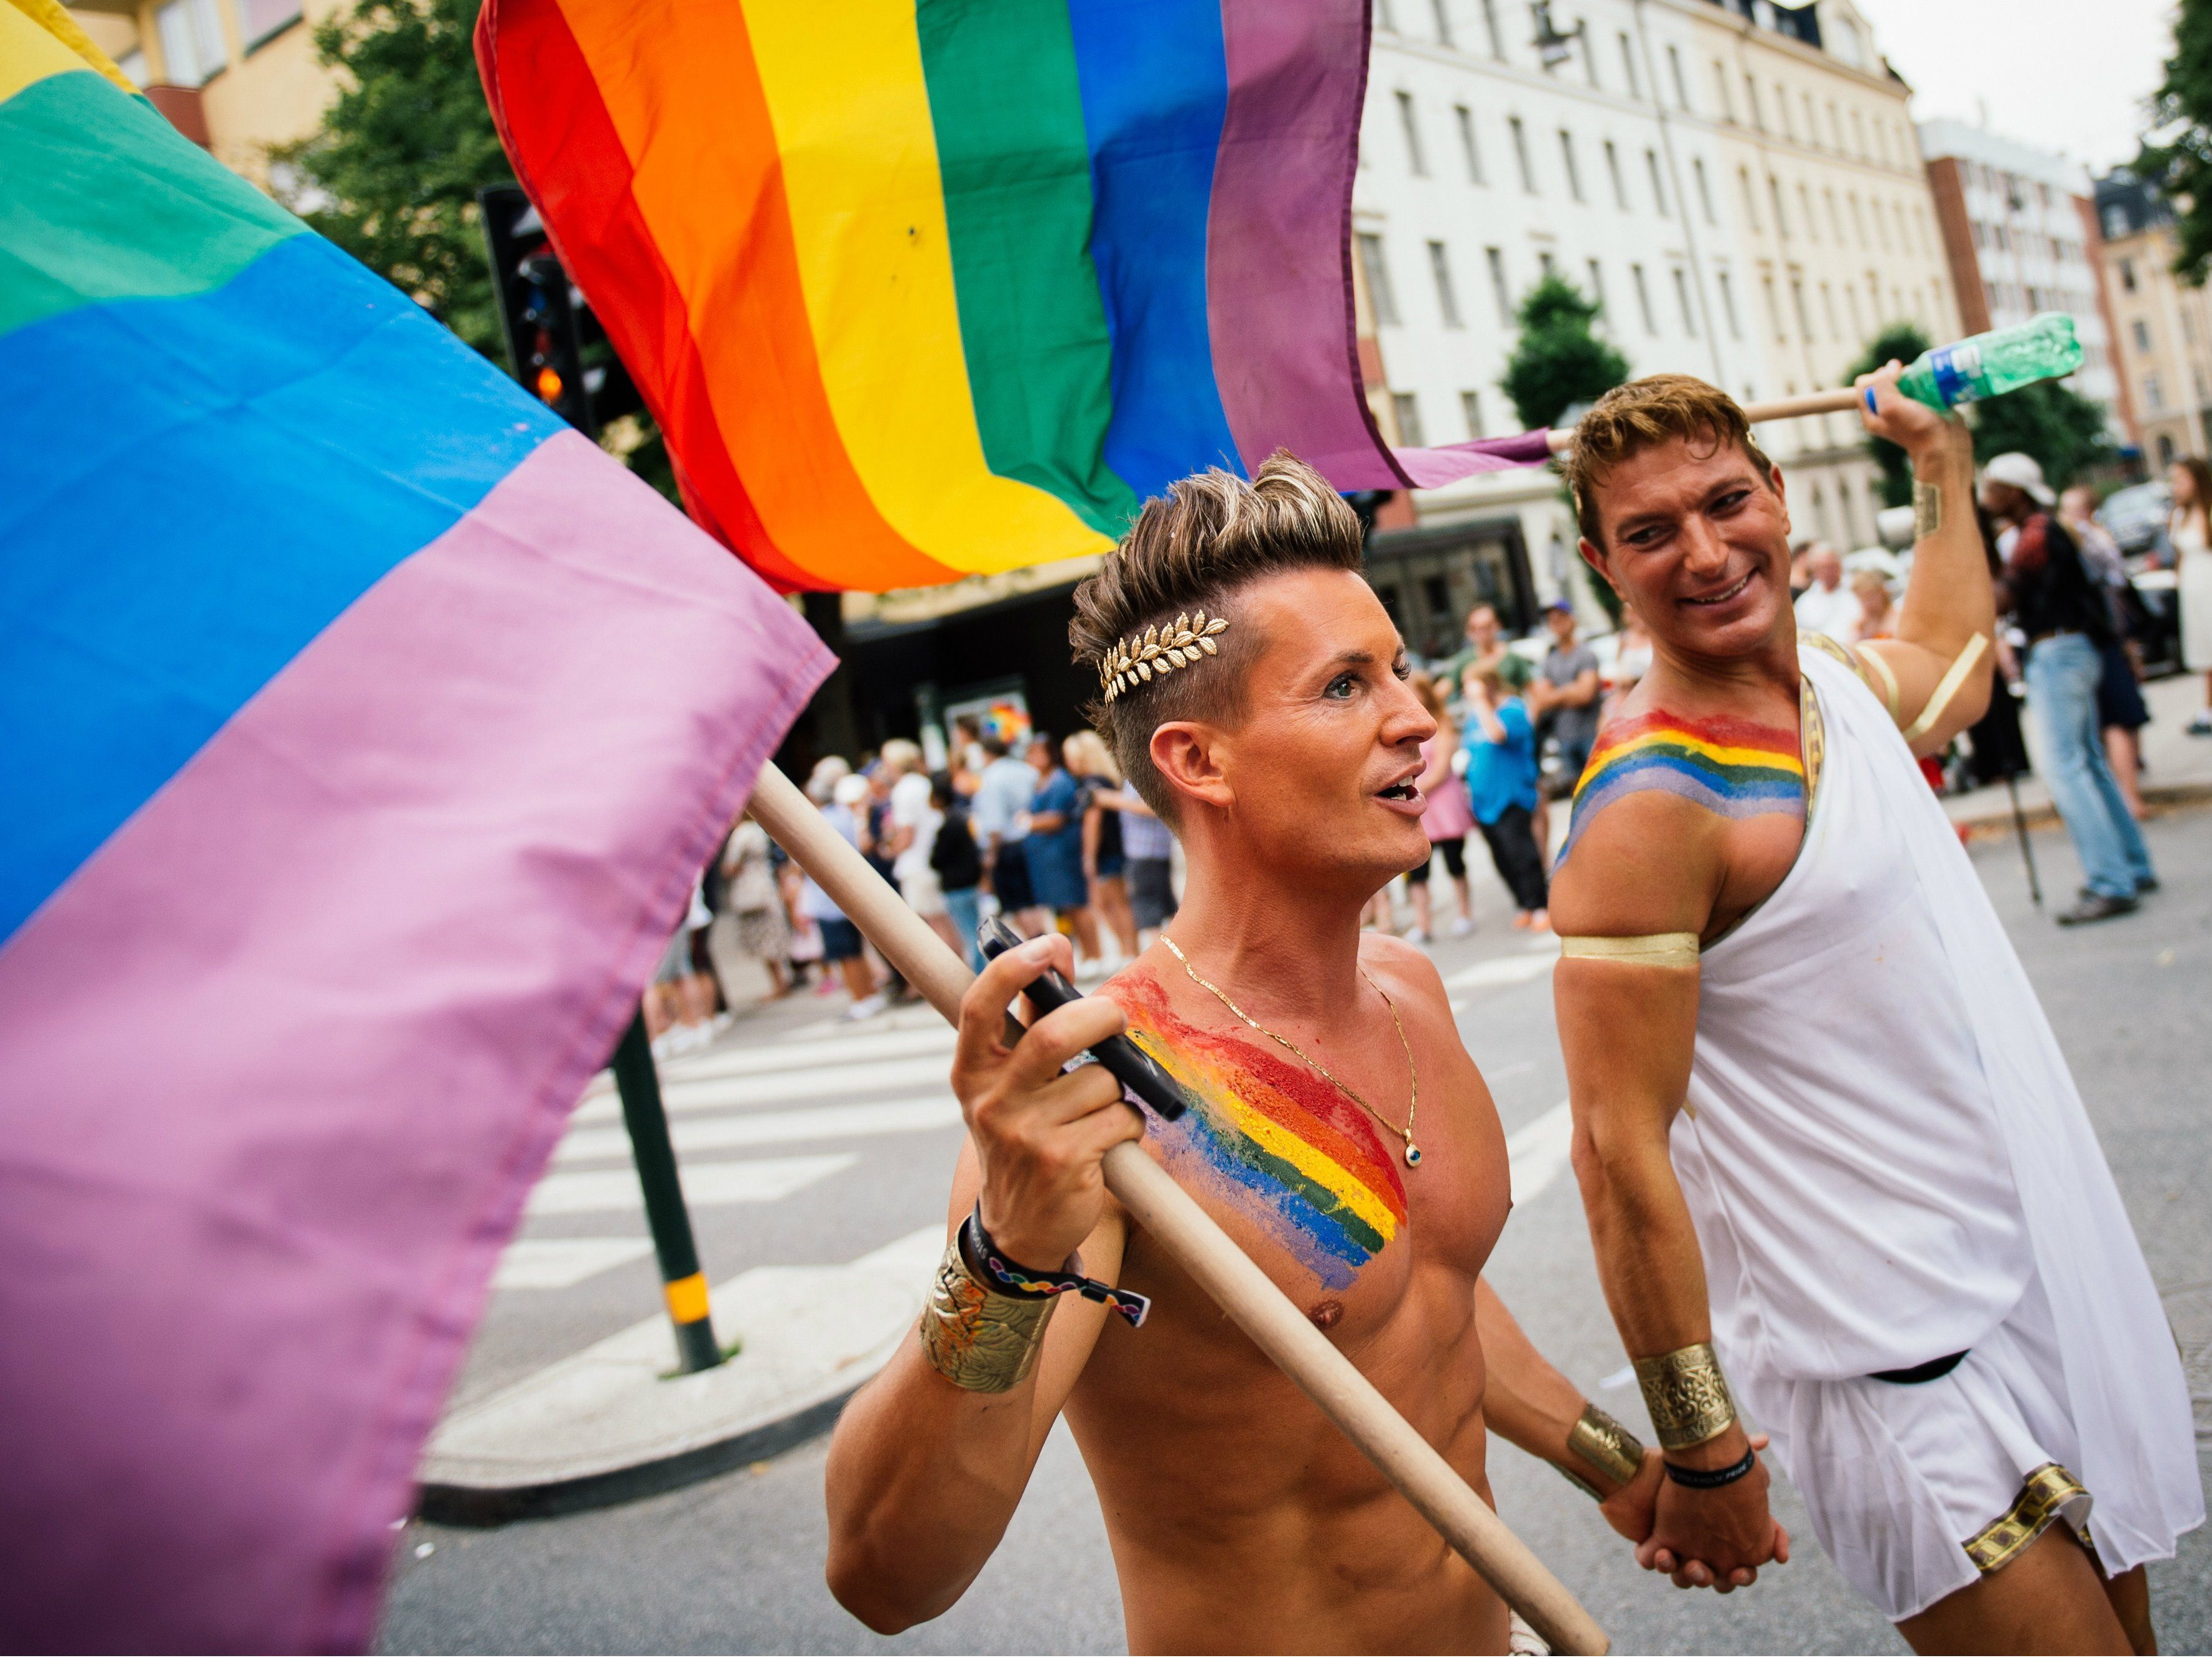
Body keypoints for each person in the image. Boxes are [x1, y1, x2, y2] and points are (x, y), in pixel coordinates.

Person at [825, 453, 1696, 1655]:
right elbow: (885, 1574)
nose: (1416, 717)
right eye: (1345, 686)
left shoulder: (1410, 986)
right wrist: (1004, 1255)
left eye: (1398, 669)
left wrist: (1616, 1465)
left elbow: (1420, 1299)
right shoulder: (1107, 1098)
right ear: (1199, 761)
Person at [1551, 371, 2198, 1653]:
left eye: (1726, 501)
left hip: (2022, 1288)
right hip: (1887, 1372)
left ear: (1778, 495)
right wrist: (1704, 1449)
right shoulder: (1649, 805)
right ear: (1598, 563)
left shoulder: (1825, 683)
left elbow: (1955, 669)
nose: (1704, 550)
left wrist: (1938, 459)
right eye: (1648, 532)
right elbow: (1616, 1152)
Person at [1981, 452, 2159, 924]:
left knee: (2065, 769)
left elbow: (2002, 598)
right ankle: (2132, 864)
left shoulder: (2035, 534)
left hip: (2058, 650)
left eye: (1993, 488)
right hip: (2076, 648)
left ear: (2014, 491)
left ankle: (2108, 879)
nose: (1986, 497)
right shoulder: (2046, 528)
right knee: (2089, 763)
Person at [2060, 486, 2152, 819]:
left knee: (2110, 721)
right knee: (2116, 719)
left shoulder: (2083, 540)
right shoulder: (2092, 540)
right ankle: (2128, 795)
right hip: (2102, 636)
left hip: (2101, 635)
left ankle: (2126, 796)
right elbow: (2117, 581)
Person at [1462, 663, 1549, 931]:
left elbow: (1498, 735)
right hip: (1484, 800)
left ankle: (1540, 906)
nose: (1468, 693)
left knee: (1521, 852)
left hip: (1511, 795)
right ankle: (1523, 903)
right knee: (1501, 857)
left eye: (1472, 687)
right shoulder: (1475, 717)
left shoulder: (1512, 710)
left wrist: (1480, 702)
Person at [803, 769, 887, 1020]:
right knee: (856, 950)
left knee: (846, 955)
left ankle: (861, 999)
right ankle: (869, 994)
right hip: (850, 893)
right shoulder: (844, 816)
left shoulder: (819, 820)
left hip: (829, 899)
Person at [1406, 669, 1477, 941]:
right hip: (1418, 807)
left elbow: (1442, 769)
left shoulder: (1442, 724)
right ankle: (1423, 924)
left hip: (1443, 803)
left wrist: (1411, 790)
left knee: (1454, 861)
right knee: (1417, 870)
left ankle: (1465, 913)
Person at [881, 738, 964, 961]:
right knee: (944, 922)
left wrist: (890, 849)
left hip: (917, 864)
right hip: (931, 860)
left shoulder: (903, 790)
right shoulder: (922, 783)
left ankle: (955, 973)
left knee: (936, 926)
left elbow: (907, 834)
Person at [1020, 733, 1099, 966]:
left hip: (1062, 854)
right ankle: (1085, 954)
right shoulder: (1039, 782)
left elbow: (1057, 818)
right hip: (1045, 859)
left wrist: (1030, 822)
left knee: (1077, 904)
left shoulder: (1060, 781)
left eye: (1038, 753)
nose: (1033, 758)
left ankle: (1095, 953)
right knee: (1065, 909)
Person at [1065, 730, 1141, 967]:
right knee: (1118, 903)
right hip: (1114, 850)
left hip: (1104, 854)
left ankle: (1129, 951)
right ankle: (1129, 949)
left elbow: (1092, 824)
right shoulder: (1106, 780)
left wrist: (1088, 858)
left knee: (1112, 904)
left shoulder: (1091, 786)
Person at [970, 732, 1043, 936]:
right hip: (1033, 839)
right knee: (1034, 899)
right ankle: (1045, 937)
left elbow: (995, 825)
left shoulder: (990, 779)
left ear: (987, 754)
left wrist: (991, 855)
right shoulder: (1026, 770)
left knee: (1019, 903)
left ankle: (1038, 941)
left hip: (1008, 847)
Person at [711, 814, 790, 1004]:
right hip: (765, 886)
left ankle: (778, 983)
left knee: (764, 939)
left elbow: (731, 866)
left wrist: (728, 870)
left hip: (750, 891)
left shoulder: (741, 834)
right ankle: (782, 981)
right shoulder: (759, 830)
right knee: (772, 935)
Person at [2163, 457, 2212, 736]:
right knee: (2204, 651)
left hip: (2208, 585)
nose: (2176, 486)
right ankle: (2207, 707)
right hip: (2192, 590)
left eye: (2181, 479)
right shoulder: (2179, 516)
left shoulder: (2208, 511)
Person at [928, 771, 986, 970]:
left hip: (957, 886)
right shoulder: (960, 819)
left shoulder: (948, 825)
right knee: (975, 930)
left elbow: (936, 859)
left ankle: (983, 974)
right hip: (968, 882)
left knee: (971, 936)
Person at [1440, 600, 1535, 699]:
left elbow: (1534, 692)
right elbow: (1441, 691)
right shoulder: (1464, 660)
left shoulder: (1513, 658)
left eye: (1487, 627)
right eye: (1475, 628)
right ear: (1469, 631)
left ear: (1497, 626)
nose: (1482, 633)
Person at [1118, 793, 1177, 947]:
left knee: (1149, 911)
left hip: (1145, 852)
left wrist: (1107, 799)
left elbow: (1152, 808)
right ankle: (1179, 953)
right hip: (1154, 852)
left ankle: (1162, 958)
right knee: (1166, 908)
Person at [1791, 541, 1857, 638]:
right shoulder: (1805, 603)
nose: (1828, 572)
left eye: (1831, 566)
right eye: (1823, 568)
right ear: (1814, 571)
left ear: (1839, 564)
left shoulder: (1857, 589)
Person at [1844, 566, 1896, 644]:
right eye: (1863, 599)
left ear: (1882, 593)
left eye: (1871, 597)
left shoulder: (1897, 618)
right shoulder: (1859, 626)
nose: (1868, 604)